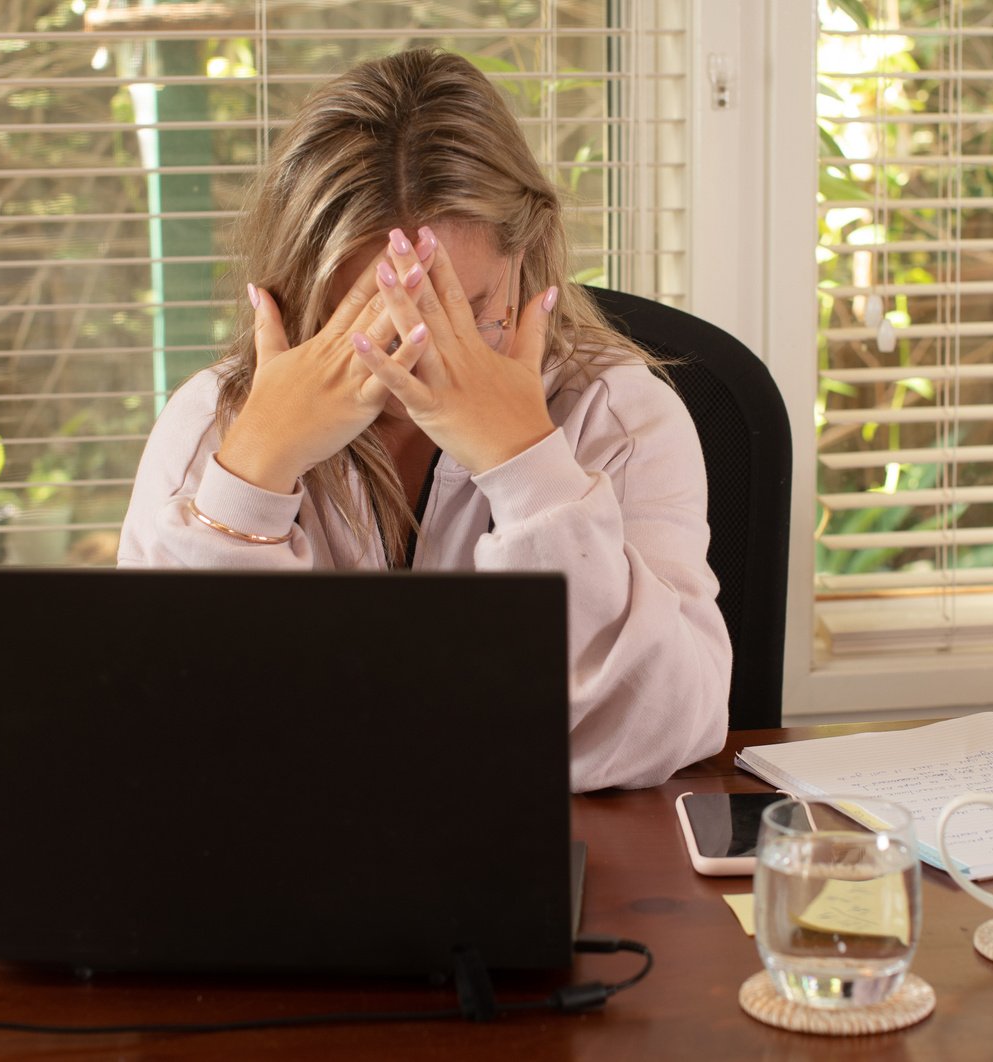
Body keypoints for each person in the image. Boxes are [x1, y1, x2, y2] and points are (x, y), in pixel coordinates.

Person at [117, 49, 730, 791]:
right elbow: (176, 739)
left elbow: (660, 726)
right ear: (297, 288)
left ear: (526, 260)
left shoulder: (622, 417)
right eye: (365, 321)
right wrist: (252, 477)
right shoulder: (212, 427)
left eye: (461, 312)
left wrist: (527, 464)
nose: (412, 358)